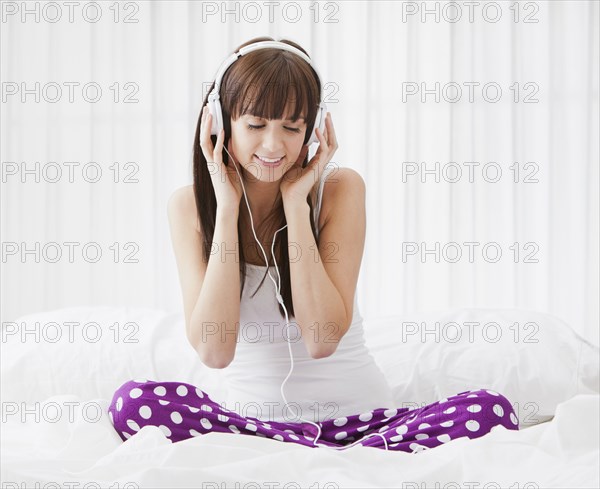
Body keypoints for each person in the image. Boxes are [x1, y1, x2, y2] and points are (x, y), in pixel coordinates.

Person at [108, 36, 519, 453]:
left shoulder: (339, 190)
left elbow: (322, 339)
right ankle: (309, 456)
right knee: (133, 405)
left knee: (490, 411)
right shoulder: (190, 208)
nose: (273, 146)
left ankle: (323, 456)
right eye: (255, 125)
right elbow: (214, 352)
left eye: (292, 127)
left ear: (313, 129)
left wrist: (295, 206)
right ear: (218, 121)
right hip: (254, 430)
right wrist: (227, 210)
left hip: (364, 425)